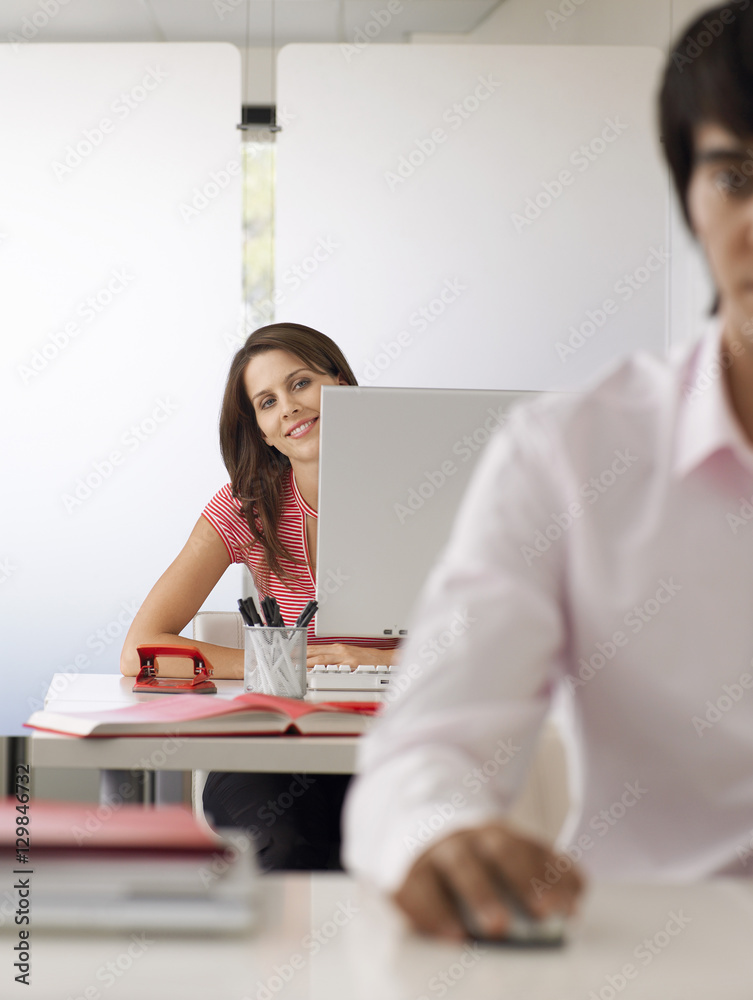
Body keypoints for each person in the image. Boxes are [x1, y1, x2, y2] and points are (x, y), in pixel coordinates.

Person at [343, 1, 753, 940]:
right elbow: (420, 754)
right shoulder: (572, 453)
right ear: (688, 197)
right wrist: (439, 834)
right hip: (646, 958)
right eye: (735, 173)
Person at [121, 322, 399, 869]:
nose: (289, 409)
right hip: (275, 754)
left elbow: (490, 643)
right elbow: (141, 650)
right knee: (285, 851)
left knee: (398, 856)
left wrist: (375, 660)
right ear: (264, 432)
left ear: (342, 385)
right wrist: (281, 663)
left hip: (390, 747)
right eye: (268, 402)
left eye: (301, 384)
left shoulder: (424, 489)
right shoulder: (247, 505)